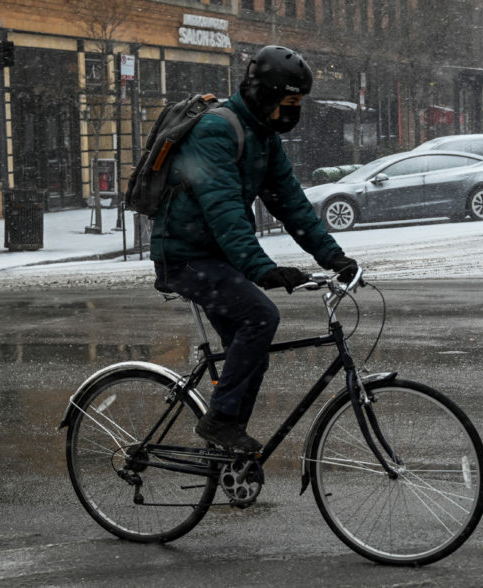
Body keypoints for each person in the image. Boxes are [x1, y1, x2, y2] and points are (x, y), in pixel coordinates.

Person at [150, 45, 358, 453]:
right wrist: (263, 268)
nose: (290, 112)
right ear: (265, 94)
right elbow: (224, 209)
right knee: (260, 316)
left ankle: (226, 444)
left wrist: (333, 256)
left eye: (297, 103)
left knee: (252, 350)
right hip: (185, 255)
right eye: (287, 101)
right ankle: (221, 421)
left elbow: (291, 203)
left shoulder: (262, 138)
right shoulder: (216, 130)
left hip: (217, 255)